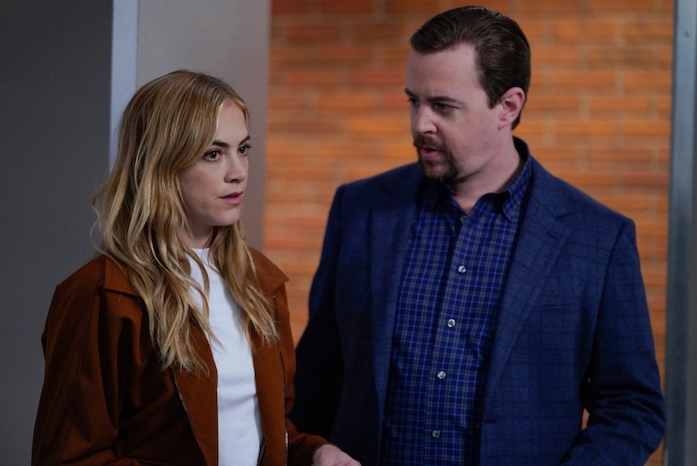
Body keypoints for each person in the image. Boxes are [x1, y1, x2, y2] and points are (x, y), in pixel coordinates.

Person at [290, 6, 665, 466]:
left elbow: (632, 408)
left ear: (508, 106)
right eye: (413, 101)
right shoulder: (360, 210)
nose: (420, 124)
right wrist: (312, 450)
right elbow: (315, 377)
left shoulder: (598, 238)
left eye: (443, 106)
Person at [32, 70, 359, 466]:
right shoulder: (103, 293)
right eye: (213, 154)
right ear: (161, 163)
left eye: (243, 149)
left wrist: (315, 452)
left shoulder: (261, 282)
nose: (238, 171)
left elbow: (264, 432)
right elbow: (70, 456)